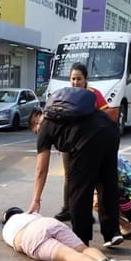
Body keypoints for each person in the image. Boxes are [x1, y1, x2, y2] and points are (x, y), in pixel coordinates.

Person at [28, 100, 123, 249]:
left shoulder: (45, 125)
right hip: (110, 130)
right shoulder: (65, 114)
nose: (37, 134)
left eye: (35, 131)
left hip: (86, 141)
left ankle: (81, 239)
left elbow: (41, 170)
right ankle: (112, 232)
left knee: (78, 191)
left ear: (37, 123)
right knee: (107, 182)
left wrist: (36, 199)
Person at [1, 207, 131, 261]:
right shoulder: (29, 214)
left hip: (29, 237)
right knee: (83, 248)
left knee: (68, 255)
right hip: (48, 223)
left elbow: (17, 247)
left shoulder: (6, 230)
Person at [55, 62, 109, 223]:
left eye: (79, 79)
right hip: (68, 143)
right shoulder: (65, 94)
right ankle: (67, 209)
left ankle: (85, 212)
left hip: (89, 144)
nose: (75, 82)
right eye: (73, 79)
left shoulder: (94, 95)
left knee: (87, 179)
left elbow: (105, 116)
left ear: (85, 80)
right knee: (69, 177)